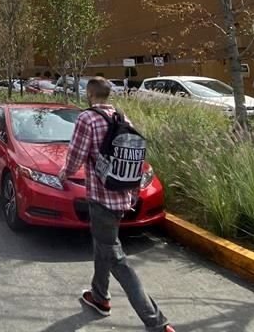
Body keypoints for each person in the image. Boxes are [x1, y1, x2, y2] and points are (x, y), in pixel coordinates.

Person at [58, 77, 175, 332]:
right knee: (104, 247)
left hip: (101, 199)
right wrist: (133, 194)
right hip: (122, 197)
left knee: (115, 257)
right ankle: (100, 297)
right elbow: (133, 158)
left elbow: (76, 155)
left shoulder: (87, 118)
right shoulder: (122, 117)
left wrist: (64, 173)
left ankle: (156, 322)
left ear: (90, 94)